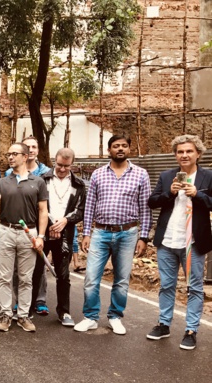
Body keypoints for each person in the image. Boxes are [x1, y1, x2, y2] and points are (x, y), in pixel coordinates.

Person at [75, 134, 152, 335]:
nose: (120, 149)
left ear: (129, 149)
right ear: (109, 150)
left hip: (127, 233)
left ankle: (115, 316)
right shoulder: (98, 174)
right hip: (100, 232)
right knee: (91, 277)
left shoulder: (141, 174)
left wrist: (143, 237)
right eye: (116, 146)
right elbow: (90, 205)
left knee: (122, 279)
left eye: (124, 146)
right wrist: (86, 233)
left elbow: (145, 207)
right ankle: (90, 317)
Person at [147, 135, 212, 350]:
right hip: (167, 240)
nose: (184, 155)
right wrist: (170, 193)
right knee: (166, 285)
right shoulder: (167, 176)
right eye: (180, 152)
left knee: (194, 287)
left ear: (198, 154)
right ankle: (164, 324)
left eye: (189, 151)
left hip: (192, 242)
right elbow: (152, 202)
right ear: (175, 155)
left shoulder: (208, 176)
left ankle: (191, 330)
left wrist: (198, 195)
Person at [0, 142, 48, 332]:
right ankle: (6, 314)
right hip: (6, 231)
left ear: (25, 156)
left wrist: (40, 236)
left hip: (28, 233)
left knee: (26, 278)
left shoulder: (38, 182)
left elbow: (43, 211)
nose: (10, 157)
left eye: (15, 154)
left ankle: (23, 315)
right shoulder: (1, 182)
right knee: (5, 277)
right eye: (8, 154)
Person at [41, 148, 86, 327]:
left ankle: (64, 312)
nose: (62, 169)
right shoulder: (42, 179)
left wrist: (65, 221)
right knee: (35, 271)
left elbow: (81, 210)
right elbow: (36, 205)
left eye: (66, 166)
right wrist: (51, 224)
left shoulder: (78, 184)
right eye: (59, 165)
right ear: (54, 161)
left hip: (65, 235)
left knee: (63, 275)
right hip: (43, 232)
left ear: (72, 164)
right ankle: (26, 310)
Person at [6, 136, 51, 316]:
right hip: (18, 224)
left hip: (39, 223)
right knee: (19, 267)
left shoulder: (47, 173)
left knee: (38, 265)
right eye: (28, 147)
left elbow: (47, 203)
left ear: (37, 150)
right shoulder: (10, 172)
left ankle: (39, 300)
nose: (31, 149)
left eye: (34, 146)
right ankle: (20, 302)